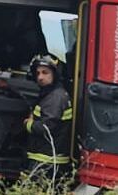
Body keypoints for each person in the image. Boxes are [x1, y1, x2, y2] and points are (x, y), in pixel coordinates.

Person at [25, 54, 73, 186]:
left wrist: (28, 124)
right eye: (38, 73)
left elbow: (46, 127)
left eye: (45, 73)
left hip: (47, 161)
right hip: (46, 159)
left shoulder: (55, 98)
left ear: (55, 74)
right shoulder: (51, 94)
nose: (40, 77)